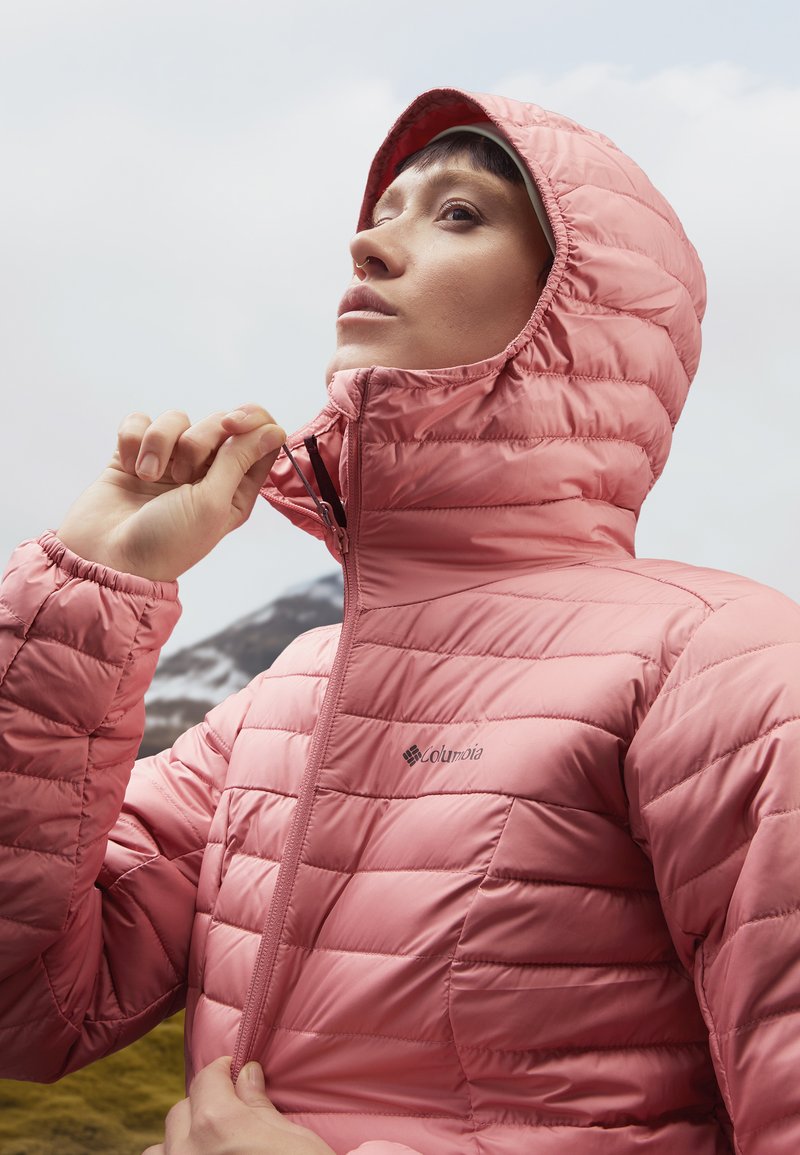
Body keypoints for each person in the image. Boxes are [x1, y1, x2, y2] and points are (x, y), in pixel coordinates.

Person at [0, 86, 798, 1155]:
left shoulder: (720, 663)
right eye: (382, 215)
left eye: (458, 213)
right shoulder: (279, 703)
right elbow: (32, 1007)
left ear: (581, 304)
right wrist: (90, 589)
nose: (367, 248)